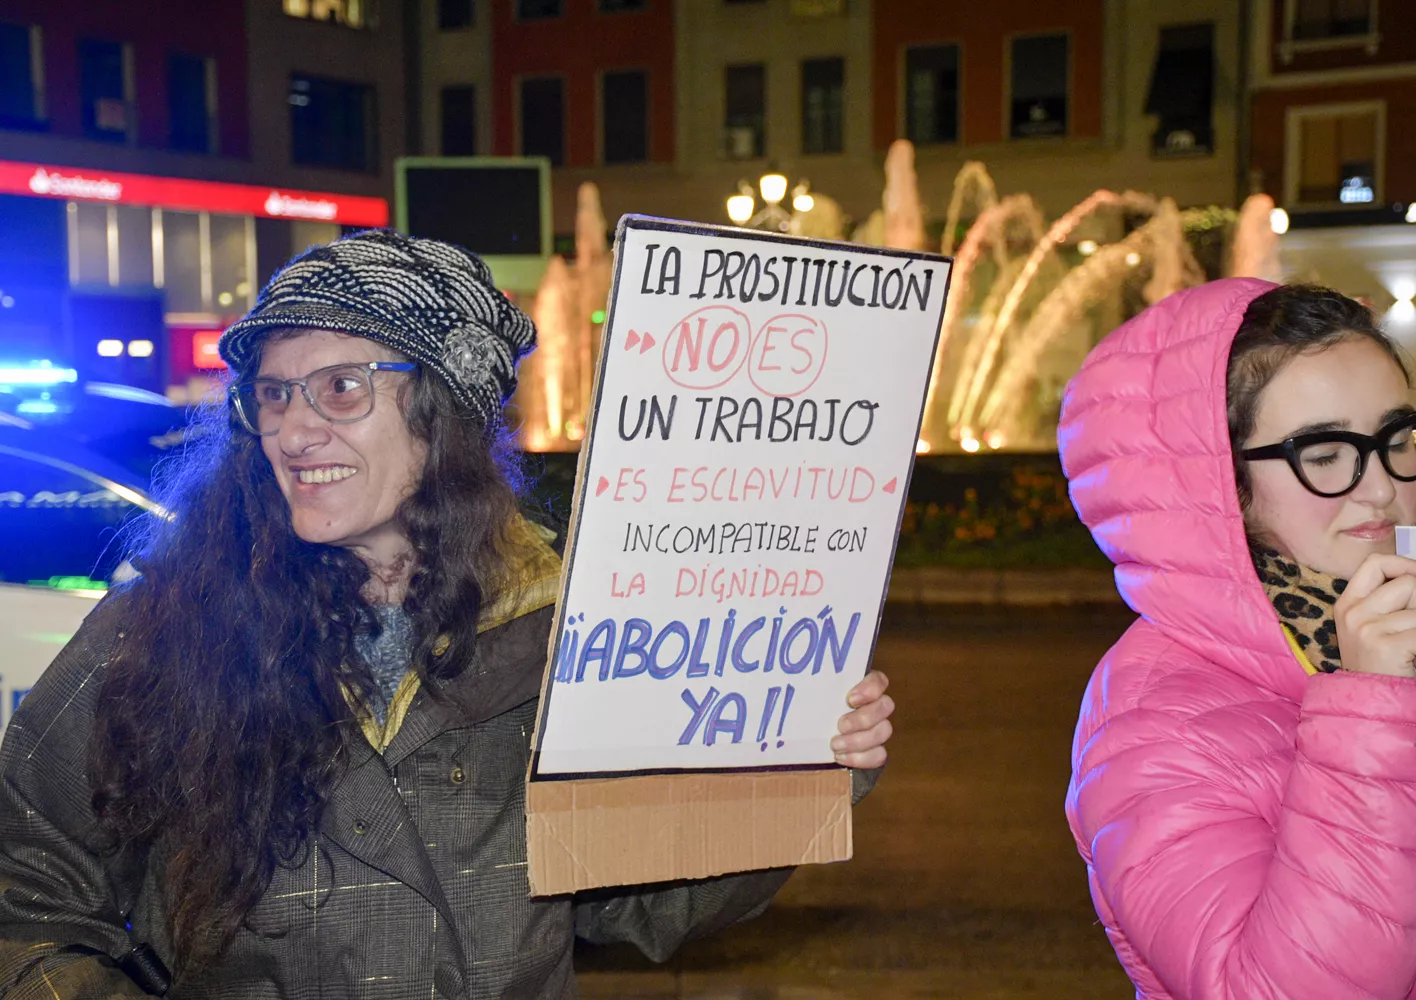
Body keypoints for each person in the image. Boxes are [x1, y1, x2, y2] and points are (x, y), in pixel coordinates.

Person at [0, 230, 895, 998]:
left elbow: (644, 898)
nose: (294, 431)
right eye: (273, 395)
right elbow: (25, 894)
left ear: (443, 413)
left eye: (341, 389)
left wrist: (800, 763)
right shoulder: (157, 634)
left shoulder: (565, 634)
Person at [1060, 278, 1416, 999]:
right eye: (1325, 454)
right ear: (1223, 484)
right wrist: (1373, 709)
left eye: (1396, 437)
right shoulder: (1152, 718)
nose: (1383, 488)